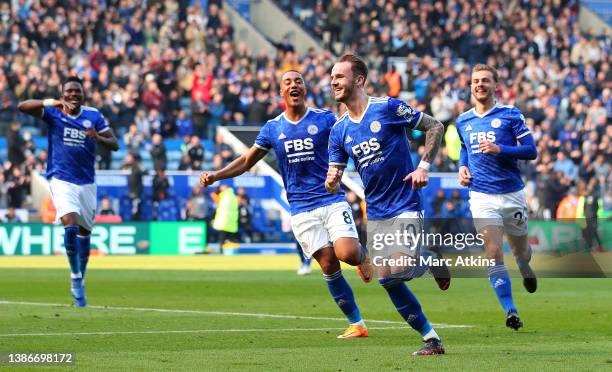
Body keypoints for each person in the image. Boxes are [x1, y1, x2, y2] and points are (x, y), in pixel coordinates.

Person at [200, 70, 373, 339]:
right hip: (301, 207)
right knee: (328, 264)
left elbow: (351, 142)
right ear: (280, 92)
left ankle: (363, 256)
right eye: (287, 82)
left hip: (330, 198)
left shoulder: (325, 119)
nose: (294, 85)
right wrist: (216, 175)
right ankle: (357, 324)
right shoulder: (273, 128)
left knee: (347, 254)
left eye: (298, 81)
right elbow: (247, 161)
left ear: (304, 89)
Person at [325, 54, 449, 355]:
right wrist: (332, 180)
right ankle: (431, 338)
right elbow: (335, 172)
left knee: (402, 267)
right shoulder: (339, 131)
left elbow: (435, 126)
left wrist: (424, 167)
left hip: (405, 200)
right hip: (377, 209)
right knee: (386, 279)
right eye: (331, 78)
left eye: (339, 76)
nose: (333, 82)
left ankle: (430, 259)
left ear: (359, 79)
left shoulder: (388, 108)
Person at [18, 76, 119, 307]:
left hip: (87, 182)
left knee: (84, 233)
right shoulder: (54, 113)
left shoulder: (93, 115)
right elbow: (22, 107)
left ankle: (80, 279)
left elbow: (115, 143)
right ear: (62, 94)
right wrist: (48, 102)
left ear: (83, 95)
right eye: (69, 91)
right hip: (61, 178)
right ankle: (74, 278)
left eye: (78, 92)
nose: (74, 95)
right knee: (70, 224)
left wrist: (98, 137)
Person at [455, 64, 538, 331]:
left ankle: (525, 266)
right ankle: (510, 310)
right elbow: (465, 149)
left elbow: (531, 151)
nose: (480, 85)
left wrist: (499, 148)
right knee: (493, 252)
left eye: (485, 81)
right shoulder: (463, 120)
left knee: (519, 251)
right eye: (476, 81)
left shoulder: (510, 115)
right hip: (481, 196)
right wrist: (462, 167)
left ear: (495, 86)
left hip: (512, 193)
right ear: (470, 86)